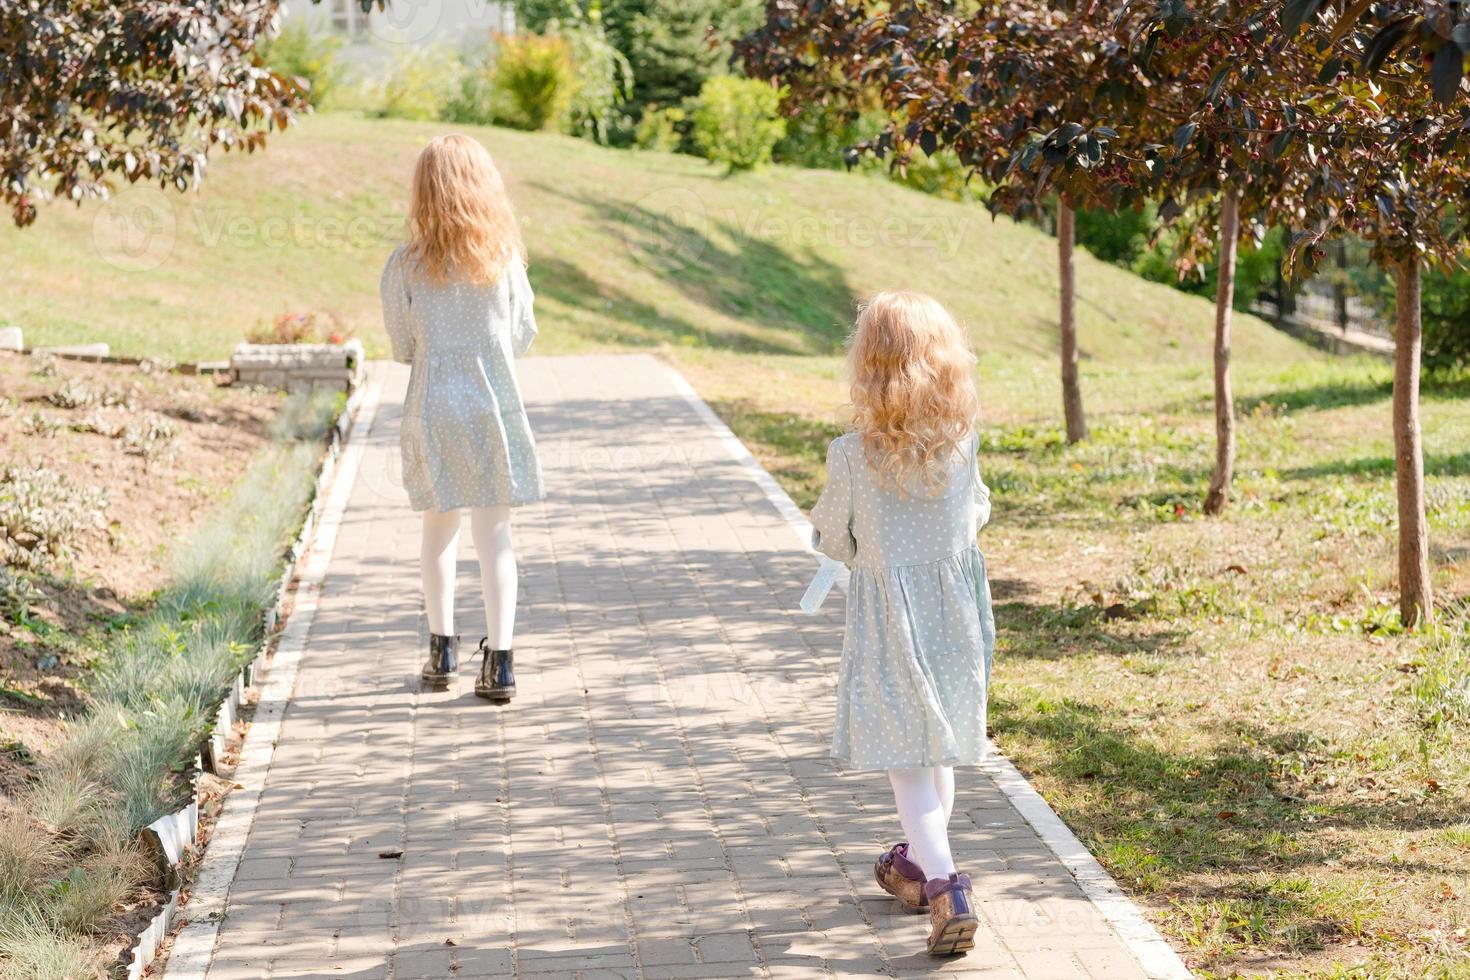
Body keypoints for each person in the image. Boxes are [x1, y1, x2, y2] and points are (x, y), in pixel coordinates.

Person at [808, 290, 995, 956]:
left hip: (889, 625)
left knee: (908, 764)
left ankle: (946, 885)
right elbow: (976, 516)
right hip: (956, 621)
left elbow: (833, 538)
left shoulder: (852, 455)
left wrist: (852, 548)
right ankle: (913, 866)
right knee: (935, 746)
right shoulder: (962, 446)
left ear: (870, 367)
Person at [379, 133, 543, 703]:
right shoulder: (503, 262)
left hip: (432, 410)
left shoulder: (404, 266)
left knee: (438, 530)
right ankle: (501, 663)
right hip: (492, 409)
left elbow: (402, 345)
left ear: (424, 191)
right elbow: (521, 336)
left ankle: (441, 650)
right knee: (495, 535)